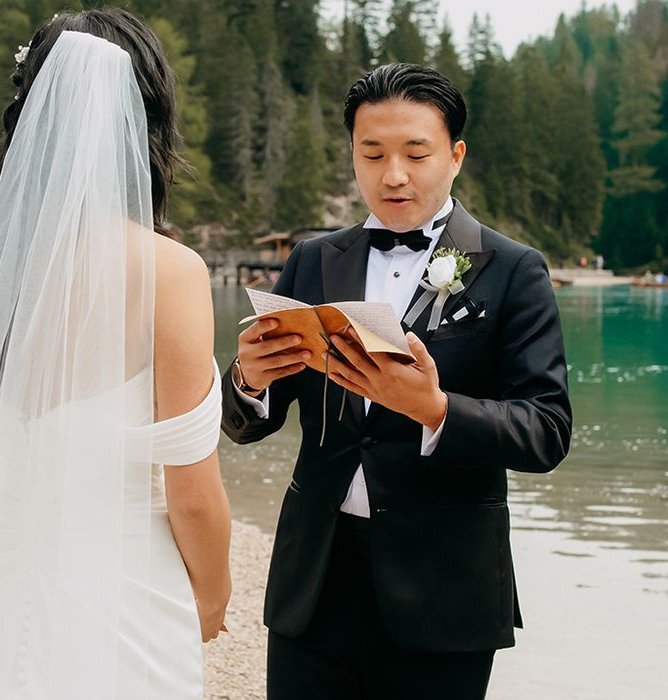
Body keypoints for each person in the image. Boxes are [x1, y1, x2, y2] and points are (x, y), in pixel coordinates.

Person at [0, 9, 230, 699]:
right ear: (145, 124)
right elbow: (192, 495)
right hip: (127, 598)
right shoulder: (171, 274)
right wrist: (213, 596)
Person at [221, 63, 572, 699]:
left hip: (445, 587)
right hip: (315, 578)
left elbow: (547, 431)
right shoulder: (312, 259)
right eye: (372, 152)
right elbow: (249, 424)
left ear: (456, 155)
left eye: (416, 152)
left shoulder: (515, 270)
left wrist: (437, 409)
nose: (393, 174)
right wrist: (249, 379)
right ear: (352, 153)